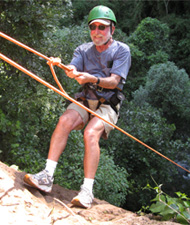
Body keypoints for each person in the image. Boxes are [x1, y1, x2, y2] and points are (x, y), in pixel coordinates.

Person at [24, 5, 131, 208]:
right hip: (85, 99)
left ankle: (87, 191)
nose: (97, 32)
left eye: (102, 27)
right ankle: (47, 176)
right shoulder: (82, 50)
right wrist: (65, 67)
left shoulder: (122, 50)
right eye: (93, 27)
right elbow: (74, 68)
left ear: (112, 30)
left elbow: (114, 81)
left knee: (91, 134)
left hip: (108, 104)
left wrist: (91, 78)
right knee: (64, 120)